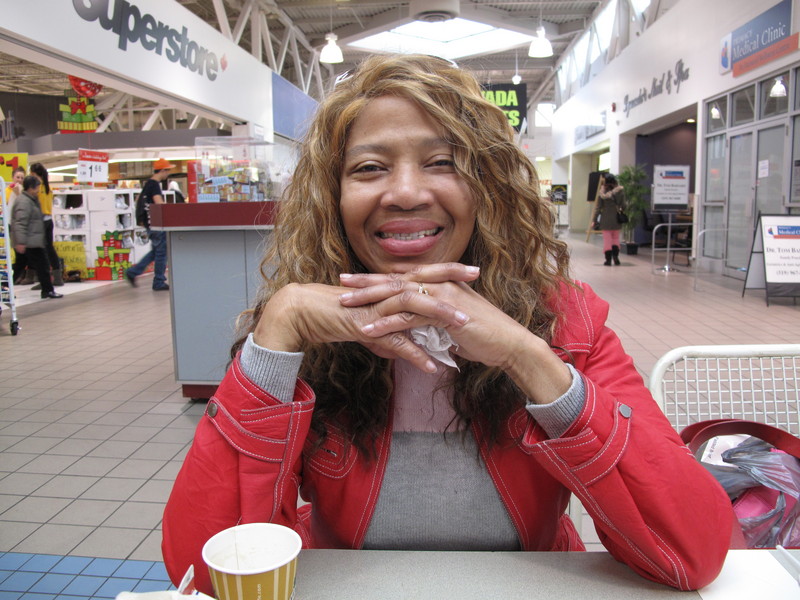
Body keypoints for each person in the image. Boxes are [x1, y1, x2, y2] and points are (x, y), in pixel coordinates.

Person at [162, 55, 732, 595]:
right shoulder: (305, 334)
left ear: (488, 189)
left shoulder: (566, 320)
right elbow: (204, 571)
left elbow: (692, 551)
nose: (407, 193)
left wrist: (525, 355)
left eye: (443, 162)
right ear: (331, 198)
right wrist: (278, 332)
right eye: (370, 168)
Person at [10, 175, 63, 299]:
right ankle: (47, 290)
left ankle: (5, 289)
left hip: (32, 240)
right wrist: (21, 242)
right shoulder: (24, 202)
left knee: (21, 266)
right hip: (29, 241)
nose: (38, 190)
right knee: (42, 266)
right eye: (37, 187)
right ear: (30, 188)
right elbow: (20, 223)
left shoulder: (31, 199)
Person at [125, 158, 173, 290]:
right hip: (156, 224)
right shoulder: (155, 185)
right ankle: (158, 281)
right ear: (163, 170)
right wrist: (171, 210)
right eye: (167, 170)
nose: (168, 174)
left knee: (155, 252)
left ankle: (133, 272)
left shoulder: (148, 184)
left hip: (150, 224)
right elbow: (159, 203)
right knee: (161, 253)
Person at [29, 162, 64, 287]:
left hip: (41, 221)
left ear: (35, 174)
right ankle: (57, 277)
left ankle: (45, 280)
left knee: (41, 252)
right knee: (49, 249)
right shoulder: (48, 188)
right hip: (49, 220)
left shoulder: (38, 189)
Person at [593, 173, 626, 266]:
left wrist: (594, 220)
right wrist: (620, 209)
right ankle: (616, 258)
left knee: (607, 240)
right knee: (615, 239)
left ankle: (608, 260)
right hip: (616, 219)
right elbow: (624, 205)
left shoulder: (602, 193)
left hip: (605, 219)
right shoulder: (620, 191)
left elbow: (598, 208)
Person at [5, 166, 27, 284]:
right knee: (17, 252)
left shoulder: (24, 191)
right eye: (17, 177)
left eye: (22, 178)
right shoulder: (7, 190)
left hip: (20, 225)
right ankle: (14, 277)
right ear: (13, 177)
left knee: (21, 253)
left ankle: (16, 276)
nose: (19, 179)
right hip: (11, 224)